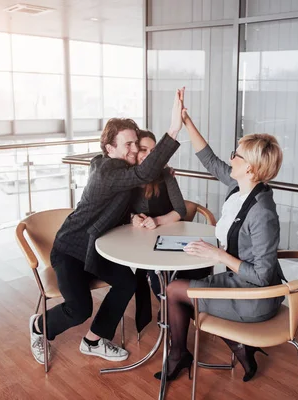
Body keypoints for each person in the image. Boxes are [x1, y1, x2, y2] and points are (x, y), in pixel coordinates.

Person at [29, 90, 185, 365]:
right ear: (109, 148)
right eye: (128, 144)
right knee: (79, 309)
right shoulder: (107, 172)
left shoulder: (121, 172)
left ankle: (92, 340)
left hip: (96, 248)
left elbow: (140, 182)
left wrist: (134, 215)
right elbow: (143, 173)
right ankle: (39, 327)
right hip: (71, 249)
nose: (135, 149)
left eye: (136, 143)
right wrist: (173, 128)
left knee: (126, 282)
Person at [154, 100, 285, 383]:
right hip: (239, 285)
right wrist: (186, 121)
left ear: (250, 169)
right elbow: (209, 159)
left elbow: (263, 277)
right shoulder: (241, 188)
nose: (231, 159)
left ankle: (180, 355)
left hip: (254, 298)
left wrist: (219, 256)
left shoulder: (262, 212)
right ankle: (237, 346)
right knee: (182, 288)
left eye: (236, 156)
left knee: (175, 291)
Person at [130, 129, 212, 300]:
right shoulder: (127, 178)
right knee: (156, 278)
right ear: (135, 150)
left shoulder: (165, 173)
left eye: (153, 151)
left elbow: (180, 210)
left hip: (168, 237)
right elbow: (122, 211)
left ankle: (172, 311)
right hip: (139, 241)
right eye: (143, 149)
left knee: (170, 277)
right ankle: (171, 311)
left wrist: (158, 220)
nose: (149, 155)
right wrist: (133, 218)